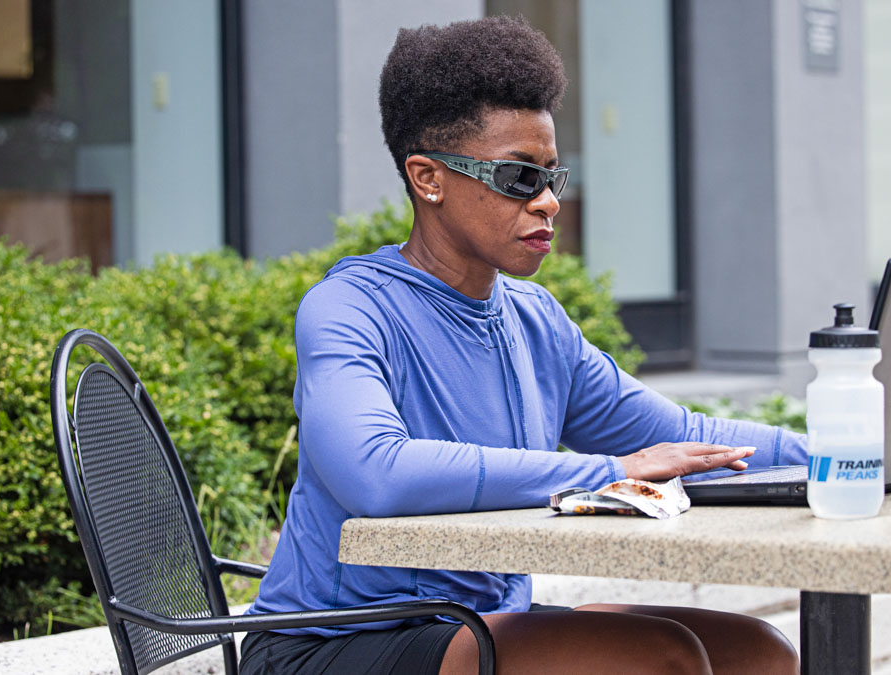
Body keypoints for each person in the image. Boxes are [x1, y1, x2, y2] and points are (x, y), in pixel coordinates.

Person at [240, 16, 806, 675]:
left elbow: (685, 436)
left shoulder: (534, 322)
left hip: (476, 625)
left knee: (760, 653)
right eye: (518, 178)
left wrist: (847, 458)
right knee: (663, 661)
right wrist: (609, 470)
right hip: (335, 640)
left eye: (551, 177)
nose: (546, 203)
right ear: (428, 178)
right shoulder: (350, 308)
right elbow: (377, 472)